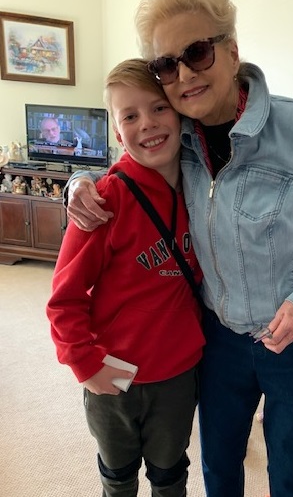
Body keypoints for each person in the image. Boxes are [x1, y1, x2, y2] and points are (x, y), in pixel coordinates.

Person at [64, 0, 293, 497]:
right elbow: (131, 160)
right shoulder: (177, 139)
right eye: (166, 65)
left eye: (197, 52)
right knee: (218, 467)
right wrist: (78, 181)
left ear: (231, 52)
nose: (183, 74)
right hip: (220, 337)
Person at [46, 58, 205, 497]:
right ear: (118, 133)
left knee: (170, 473)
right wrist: (84, 363)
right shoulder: (103, 202)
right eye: (130, 116)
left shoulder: (203, 186)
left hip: (177, 372)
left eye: (158, 108)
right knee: (118, 478)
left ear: (179, 112)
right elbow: (64, 297)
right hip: (114, 373)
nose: (148, 124)